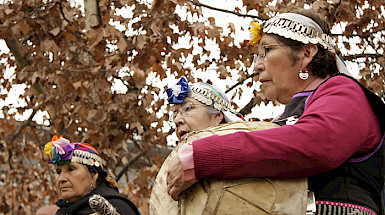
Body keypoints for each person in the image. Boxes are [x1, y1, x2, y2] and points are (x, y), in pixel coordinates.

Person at [167, 8, 385, 215]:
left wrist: (204, 156)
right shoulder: (283, 120)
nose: (257, 66)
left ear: (307, 53)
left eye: (267, 51)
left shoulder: (345, 93)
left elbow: (313, 143)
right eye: (257, 55)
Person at [43, 135, 140, 215]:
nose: (61, 178)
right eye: (59, 172)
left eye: (71, 169)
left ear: (94, 174)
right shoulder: (62, 212)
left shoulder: (118, 207)